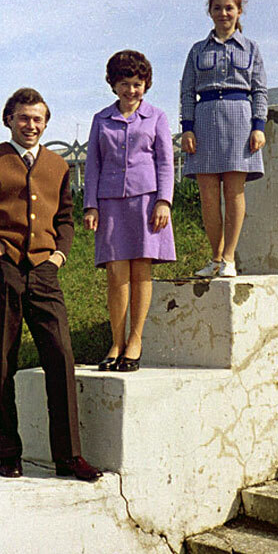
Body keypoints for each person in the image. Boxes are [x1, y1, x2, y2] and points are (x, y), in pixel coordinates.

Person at [0, 87, 102, 482]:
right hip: (3, 270)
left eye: (38, 119)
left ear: (46, 123)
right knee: (2, 360)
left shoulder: (57, 165)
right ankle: (8, 453)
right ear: (9, 120)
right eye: (23, 118)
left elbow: (65, 218)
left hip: (44, 273)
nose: (31, 125)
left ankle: (68, 457)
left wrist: (59, 255)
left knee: (61, 357)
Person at [83, 50, 176, 372]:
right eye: (124, 83)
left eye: (137, 83)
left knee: (140, 272)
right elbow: (93, 165)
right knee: (116, 274)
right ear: (113, 85)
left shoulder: (157, 117)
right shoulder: (101, 119)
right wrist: (91, 205)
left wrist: (164, 201)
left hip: (147, 203)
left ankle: (135, 340)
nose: (131, 90)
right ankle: (116, 341)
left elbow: (165, 162)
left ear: (146, 84)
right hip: (110, 204)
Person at [180, 0, 267, 278]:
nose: (223, 13)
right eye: (217, 8)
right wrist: (188, 128)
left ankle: (229, 258)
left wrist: (258, 126)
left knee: (233, 192)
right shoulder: (198, 50)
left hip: (239, 120)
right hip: (204, 120)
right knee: (208, 196)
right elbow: (187, 92)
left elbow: (260, 90)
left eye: (229, 8)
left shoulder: (251, 48)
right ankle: (215, 258)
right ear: (210, 12)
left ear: (239, 11)